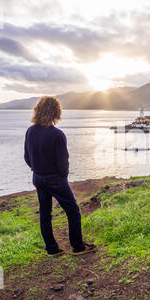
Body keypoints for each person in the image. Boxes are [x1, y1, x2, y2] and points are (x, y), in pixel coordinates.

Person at [24, 96, 96, 256]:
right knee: (73, 211)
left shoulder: (30, 131)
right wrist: (61, 177)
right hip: (55, 179)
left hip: (38, 178)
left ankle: (52, 249)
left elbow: (27, 158)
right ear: (56, 112)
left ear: (38, 110)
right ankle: (78, 247)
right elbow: (63, 163)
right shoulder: (57, 135)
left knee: (45, 214)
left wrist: (38, 169)